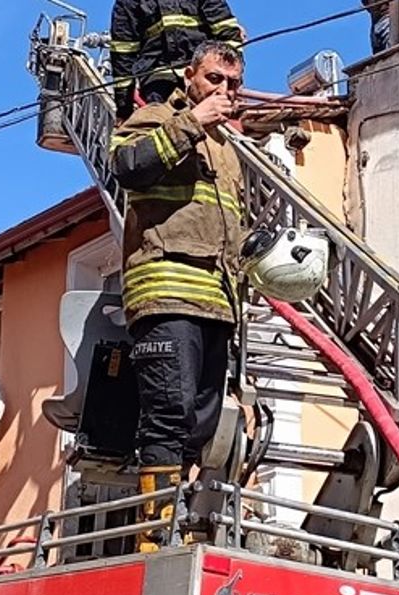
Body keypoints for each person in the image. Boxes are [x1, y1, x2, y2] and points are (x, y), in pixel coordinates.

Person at [109, 41, 246, 552]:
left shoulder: (230, 152)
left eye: (233, 84)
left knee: (203, 422)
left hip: (217, 298)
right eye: (214, 79)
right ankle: (154, 534)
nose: (224, 92)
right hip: (165, 289)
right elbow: (128, 167)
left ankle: (178, 517)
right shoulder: (153, 118)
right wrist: (194, 122)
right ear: (190, 76)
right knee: (169, 410)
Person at [110, 0, 244, 123]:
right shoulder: (127, 3)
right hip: (159, 82)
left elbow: (228, 35)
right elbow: (123, 56)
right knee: (160, 123)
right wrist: (124, 109)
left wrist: (233, 85)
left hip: (202, 77)